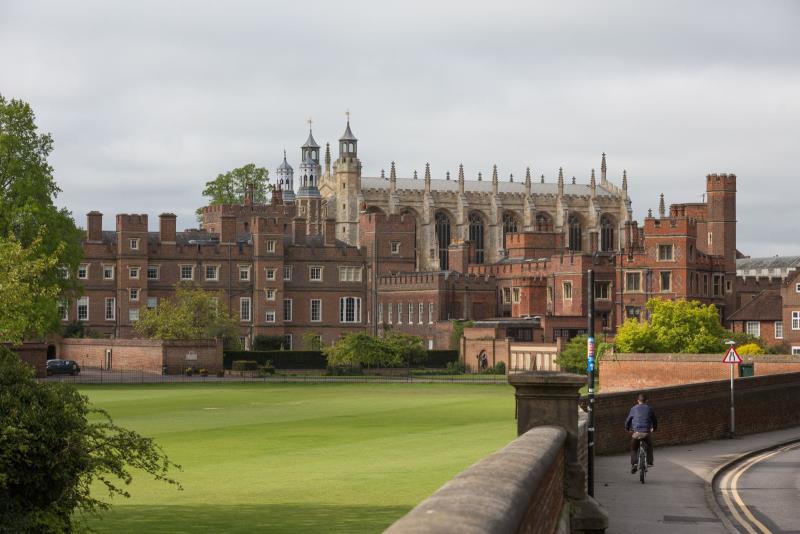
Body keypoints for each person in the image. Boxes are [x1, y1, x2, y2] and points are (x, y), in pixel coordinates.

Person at [624, 393, 657, 474]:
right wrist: (654, 428)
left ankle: (634, 464)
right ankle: (649, 462)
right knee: (649, 446)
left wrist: (627, 428)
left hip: (636, 432)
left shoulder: (633, 408)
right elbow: (654, 420)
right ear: (646, 401)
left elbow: (628, 421)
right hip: (646, 433)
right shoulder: (650, 409)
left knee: (633, 448)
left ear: (638, 401)